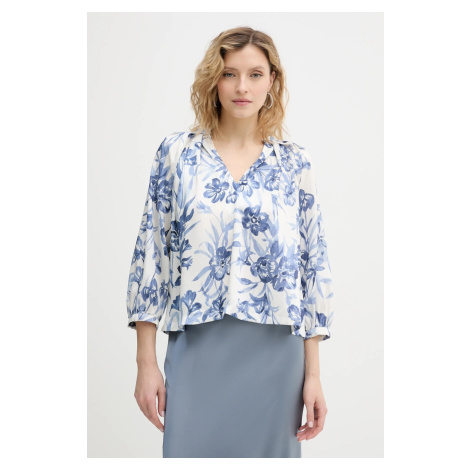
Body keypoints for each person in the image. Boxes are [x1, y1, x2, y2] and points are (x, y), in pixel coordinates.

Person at [126, 26, 335, 458]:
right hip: (197, 347)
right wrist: (146, 363)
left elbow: (313, 267)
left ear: (272, 81)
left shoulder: (294, 163)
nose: (242, 87)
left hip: (277, 355)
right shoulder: (177, 154)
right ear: (213, 80)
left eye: (255, 74)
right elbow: (151, 256)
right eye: (229, 74)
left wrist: (313, 375)